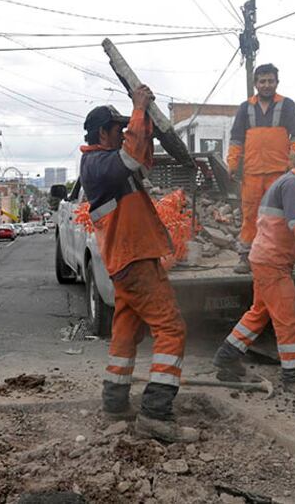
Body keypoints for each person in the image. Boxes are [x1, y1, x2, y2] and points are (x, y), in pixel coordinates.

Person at [79, 86, 198, 444]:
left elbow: (141, 160)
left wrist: (144, 123)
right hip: (133, 257)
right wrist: (138, 108)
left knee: (126, 333)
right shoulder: (99, 164)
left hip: (127, 259)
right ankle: (155, 415)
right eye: (117, 129)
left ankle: (115, 404)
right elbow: (131, 157)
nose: (122, 133)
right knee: (171, 329)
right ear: (103, 133)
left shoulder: (108, 163)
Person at [212, 141, 295, 397]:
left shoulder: (286, 182)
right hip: (273, 263)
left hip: (266, 259)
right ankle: (294, 377)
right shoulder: (293, 185)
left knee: (259, 312)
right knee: (288, 320)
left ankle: (226, 357)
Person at [226, 64, 295, 274]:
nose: (267, 85)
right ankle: (246, 257)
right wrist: (233, 163)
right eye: (262, 81)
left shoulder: (288, 106)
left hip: (279, 173)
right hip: (251, 173)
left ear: (277, 82)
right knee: (250, 216)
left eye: (270, 81)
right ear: (256, 84)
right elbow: (236, 139)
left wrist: (293, 164)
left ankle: (284, 257)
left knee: (281, 217)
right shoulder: (245, 108)